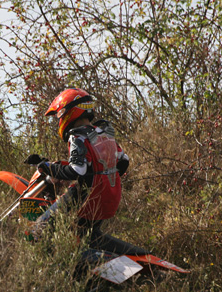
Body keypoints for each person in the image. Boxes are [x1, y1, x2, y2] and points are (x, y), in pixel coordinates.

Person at [26, 88, 147, 256]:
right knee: (89, 235)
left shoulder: (77, 136)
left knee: (39, 230)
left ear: (67, 112)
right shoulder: (104, 132)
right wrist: (103, 177)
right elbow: (124, 161)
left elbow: (77, 170)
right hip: (111, 194)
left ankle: (57, 264)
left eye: (59, 115)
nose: (59, 120)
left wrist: (45, 166)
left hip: (88, 195)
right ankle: (140, 255)